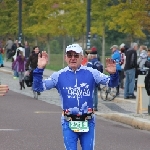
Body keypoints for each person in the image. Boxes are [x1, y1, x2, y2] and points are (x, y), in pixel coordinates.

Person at [32, 43, 118, 150]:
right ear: (65, 58)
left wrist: (113, 74)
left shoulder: (92, 73)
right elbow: (38, 88)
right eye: (69, 55)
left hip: (88, 121)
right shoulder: (58, 75)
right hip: (68, 122)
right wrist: (39, 69)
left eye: (76, 55)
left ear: (82, 57)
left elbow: (112, 84)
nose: (73, 58)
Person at [87, 47, 103, 111]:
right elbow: (101, 71)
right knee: (95, 93)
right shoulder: (99, 63)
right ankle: (95, 106)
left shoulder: (90, 63)